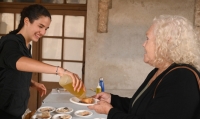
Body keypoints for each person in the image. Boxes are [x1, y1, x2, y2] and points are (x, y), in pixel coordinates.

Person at [88, 15, 200, 119]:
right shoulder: (160, 71)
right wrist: (112, 100)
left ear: (165, 43)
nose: (143, 44)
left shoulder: (181, 78)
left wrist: (110, 112)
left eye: (147, 38)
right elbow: (143, 108)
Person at [0, 4, 84, 119]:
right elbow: (17, 62)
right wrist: (59, 70)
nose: (43, 32)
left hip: (16, 112)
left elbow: (10, 72)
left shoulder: (26, 46)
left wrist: (31, 82)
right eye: (40, 26)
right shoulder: (10, 42)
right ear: (26, 21)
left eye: (46, 28)